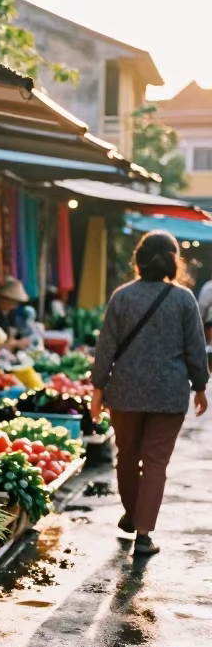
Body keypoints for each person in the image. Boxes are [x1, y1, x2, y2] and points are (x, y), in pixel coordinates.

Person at [91, 230, 209, 557]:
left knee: (127, 457)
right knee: (155, 463)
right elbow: (195, 349)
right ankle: (143, 533)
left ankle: (133, 513)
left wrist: (97, 390)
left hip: (125, 392)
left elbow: (106, 348)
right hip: (169, 395)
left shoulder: (122, 296)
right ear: (174, 261)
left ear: (138, 260)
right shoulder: (184, 299)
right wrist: (200, 387)